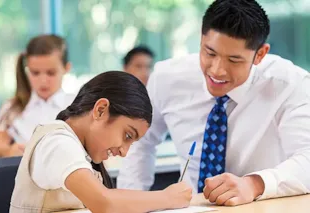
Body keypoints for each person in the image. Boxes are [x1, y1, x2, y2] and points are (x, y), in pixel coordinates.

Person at [117, 0, 310, 206]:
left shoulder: (291, 84)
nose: (217, 70)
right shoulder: (166, 78)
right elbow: (141, 144)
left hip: (259, 206)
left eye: (234, 60)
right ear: (201, 39)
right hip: (191, 207)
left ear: (260, 54)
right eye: (210, 53)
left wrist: (253, 184)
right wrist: (127, 203)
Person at [9, 71, 192, 213]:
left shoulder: (81, 152)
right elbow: (104, 203)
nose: (124, 152)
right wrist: (167, 197)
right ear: (100, 110)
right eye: (127, 136)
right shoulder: (57, 143)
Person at [0, 35, 74, 157]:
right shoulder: (12, 107)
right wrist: (10, 151)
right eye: (35, 73)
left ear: (66, 68)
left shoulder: (78, 104)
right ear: (27, 69)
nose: (43, 81)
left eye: (51, 73)